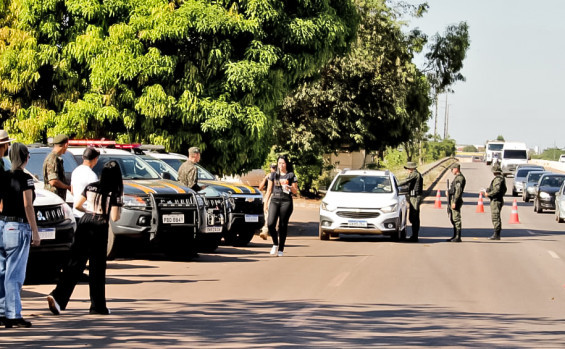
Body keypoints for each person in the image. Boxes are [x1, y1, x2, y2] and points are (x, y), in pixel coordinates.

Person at [47, 161, 123, 316]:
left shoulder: (91, 186)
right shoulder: (114, 191)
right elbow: (114, 217)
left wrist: (89, 210)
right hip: (100, 225)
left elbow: (78, 205)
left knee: (75, 263)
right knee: (97, 268)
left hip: (85, 221)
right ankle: (97, 306)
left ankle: (58, 297)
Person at [0, 143, 41, 328]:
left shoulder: (4, 176)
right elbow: (28, 205)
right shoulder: (26, 178)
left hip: (3, 224)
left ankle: (2, 311)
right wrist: (35, 231)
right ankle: (13, 314)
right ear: (26, 157)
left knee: (2, 271)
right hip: (18, 226)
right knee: (14, 273)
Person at [263, 155, 298, 257]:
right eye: (279, 163)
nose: (281, 165)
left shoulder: (291, 175)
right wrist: (265, 203)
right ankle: (275, 243)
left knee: (282, 225)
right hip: (275, 200)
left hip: (286, 201)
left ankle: (281, 249)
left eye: (283, 163)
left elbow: (295, 191)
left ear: (286, 164)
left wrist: (290, 187)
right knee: (270, 224)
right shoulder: (273, 175)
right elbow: (269, 190)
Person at [397, 161, 423, 243]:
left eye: (408, 168)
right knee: (412, 216)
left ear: (412, 168)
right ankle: (414, 236)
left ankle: (414, 237)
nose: (407, 170)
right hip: (413, 197)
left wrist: (395, 183)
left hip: (415, 197)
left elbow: (405, 181)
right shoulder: (415, 174)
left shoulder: (415, 174)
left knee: (414, 216)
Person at [70, 147, 100, 217]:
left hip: (76, 213)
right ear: (95, 159)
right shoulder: (92, 175)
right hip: (87, 214)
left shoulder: (75, 171)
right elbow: (95, 197)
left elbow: (72, 191)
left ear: (83, 158)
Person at [43, 134, 71, 200]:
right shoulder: (53, 158)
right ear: (66, 145)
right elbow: (53, 181)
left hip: (56, 198)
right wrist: (67, 187)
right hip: (53, 199)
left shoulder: (56, 158)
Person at [483, 163, 506, 240]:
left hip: (496, 200)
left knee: (495, 217)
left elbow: (497, 190)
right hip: (497, 199)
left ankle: (497, 234)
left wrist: (488, 194)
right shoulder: (500, 178)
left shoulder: (498, 179)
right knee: (495, 216)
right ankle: (496, 233)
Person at [447, 163, 466, 242]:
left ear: (456, 169)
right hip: (453, 199)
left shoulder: (459, 178)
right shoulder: (457, 178)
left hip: (456, 200)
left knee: (456, 218)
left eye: (452, 169)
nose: (452, 171)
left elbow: (458, 191)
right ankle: (455, 235)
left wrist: (454, 201)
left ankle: (458, 236)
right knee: (453, 218)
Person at [258, 163, 277, 240]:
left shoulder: (278, 176)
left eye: (274, 168)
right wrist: (265, 178)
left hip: (272, 195)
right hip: (269, 195)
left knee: (269, 215)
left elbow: (269, 190)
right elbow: (260, 187)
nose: (273, 169)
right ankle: (267, 231)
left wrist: (266, 201)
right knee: (267, 214)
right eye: (272, 168)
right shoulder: (269, 176)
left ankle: (267, 231)